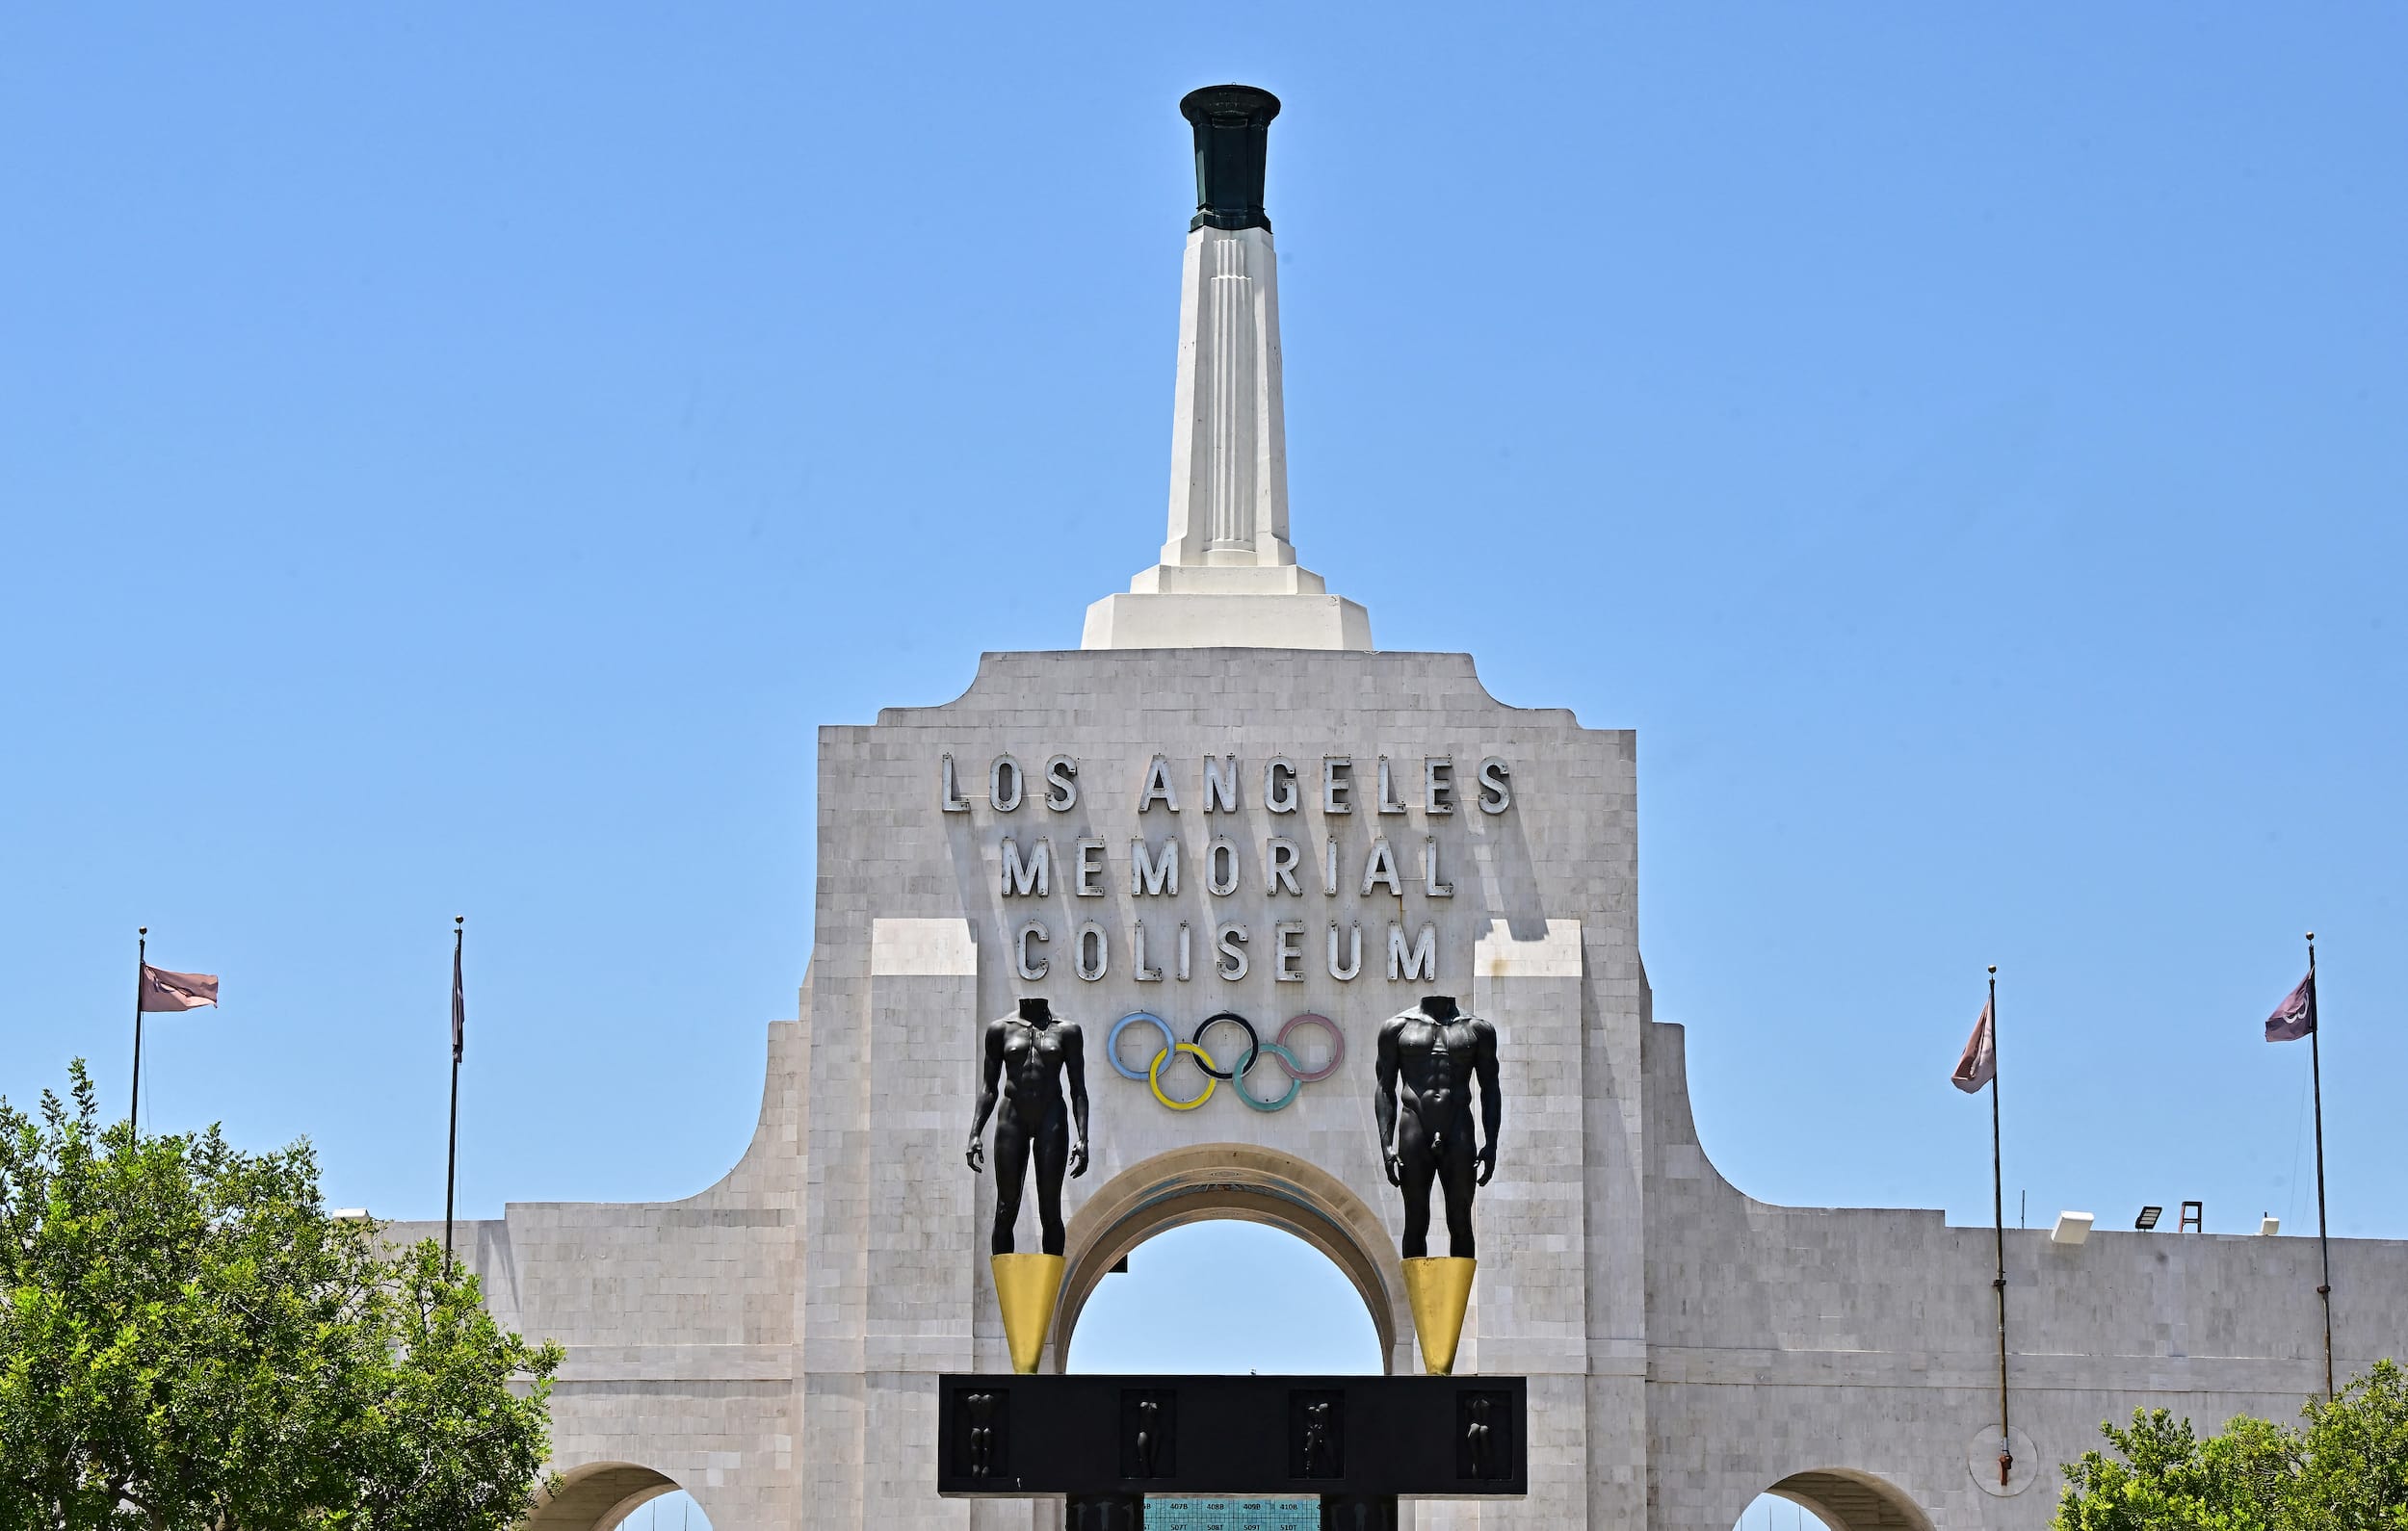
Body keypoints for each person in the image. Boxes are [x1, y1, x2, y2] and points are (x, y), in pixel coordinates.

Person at [1373, 995, 1501, 1259]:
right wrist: (1386, 1145)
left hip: (1458, 1125)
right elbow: (1385, 1088)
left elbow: (1491, 1088)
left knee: (1461, 1220)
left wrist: (1492, 1143)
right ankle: (1418, 1299)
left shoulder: (1478, 1030)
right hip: (1414, 1124)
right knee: (1416, 1220)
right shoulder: (1396, 1028)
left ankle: (1458, 1299)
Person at [966, 996, 1090, 1255]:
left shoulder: (1067, 1031)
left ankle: (1050, 1290)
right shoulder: (999, 1030)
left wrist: (1083, 1138)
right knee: (1005, 1207)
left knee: (1051, 1210)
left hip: (1051, 1117)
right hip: (1013, 1117)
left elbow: (1078, 1087)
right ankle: (1006, 1290)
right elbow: (988, 1088)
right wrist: (975, 1133)